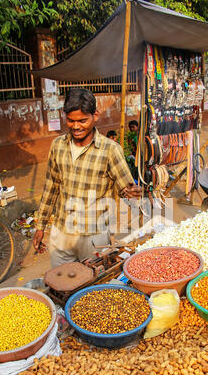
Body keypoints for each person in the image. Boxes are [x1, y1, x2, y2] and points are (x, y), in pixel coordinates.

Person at [33, 88, 141, 267]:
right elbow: (51, 186)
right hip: (61, 232)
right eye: (71, 120)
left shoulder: (110, 149)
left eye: (82, 121)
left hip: (94, 235)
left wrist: (132, 192)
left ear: (95, 116)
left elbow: (125, 188)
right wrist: (40, 226)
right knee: (61, 285)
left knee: (91, 286)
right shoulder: (57, 145)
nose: (76, 126)